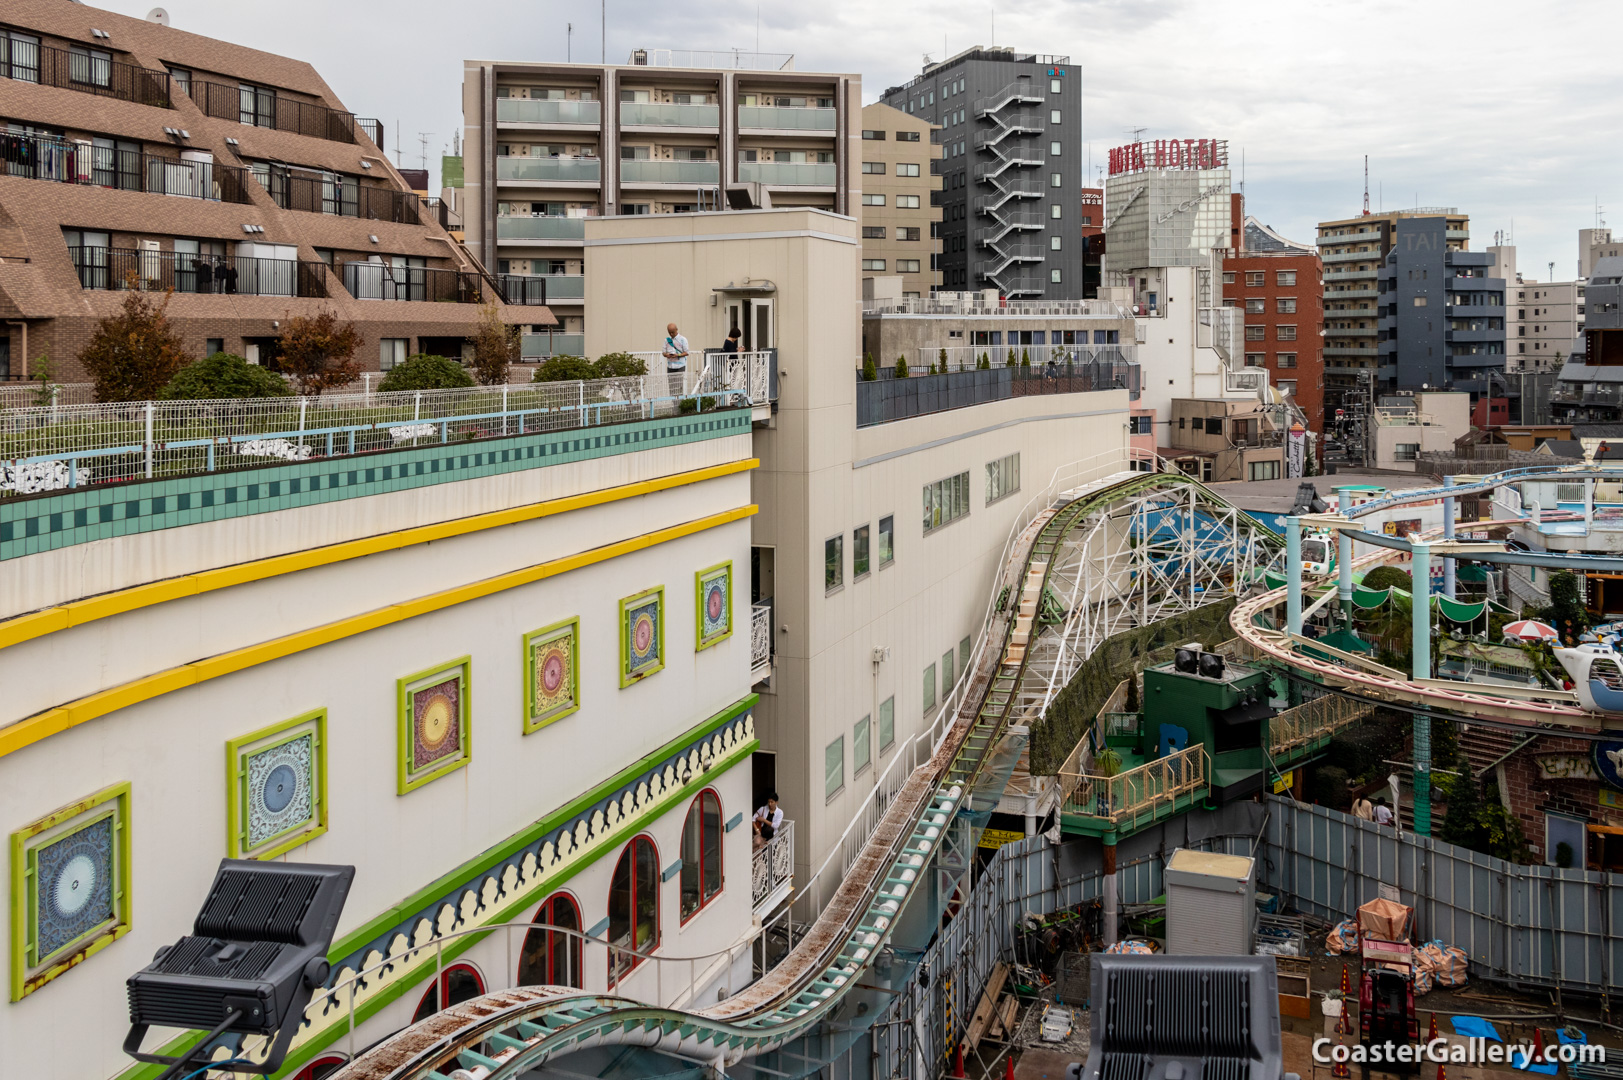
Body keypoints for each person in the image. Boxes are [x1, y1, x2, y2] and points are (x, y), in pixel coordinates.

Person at [662, 322, 689, 399]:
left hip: (680, 366)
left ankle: (679, 403)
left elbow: (687, 352)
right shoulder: (666, 340)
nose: (671, 334)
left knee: (679, 386)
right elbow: (663, 352)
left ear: (676, 330)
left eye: (672, 332)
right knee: (672, 388)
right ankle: (674, 405)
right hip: (670, 366)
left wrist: (678, 355)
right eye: (669, 332)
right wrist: (667, 355)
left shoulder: (683, 339)